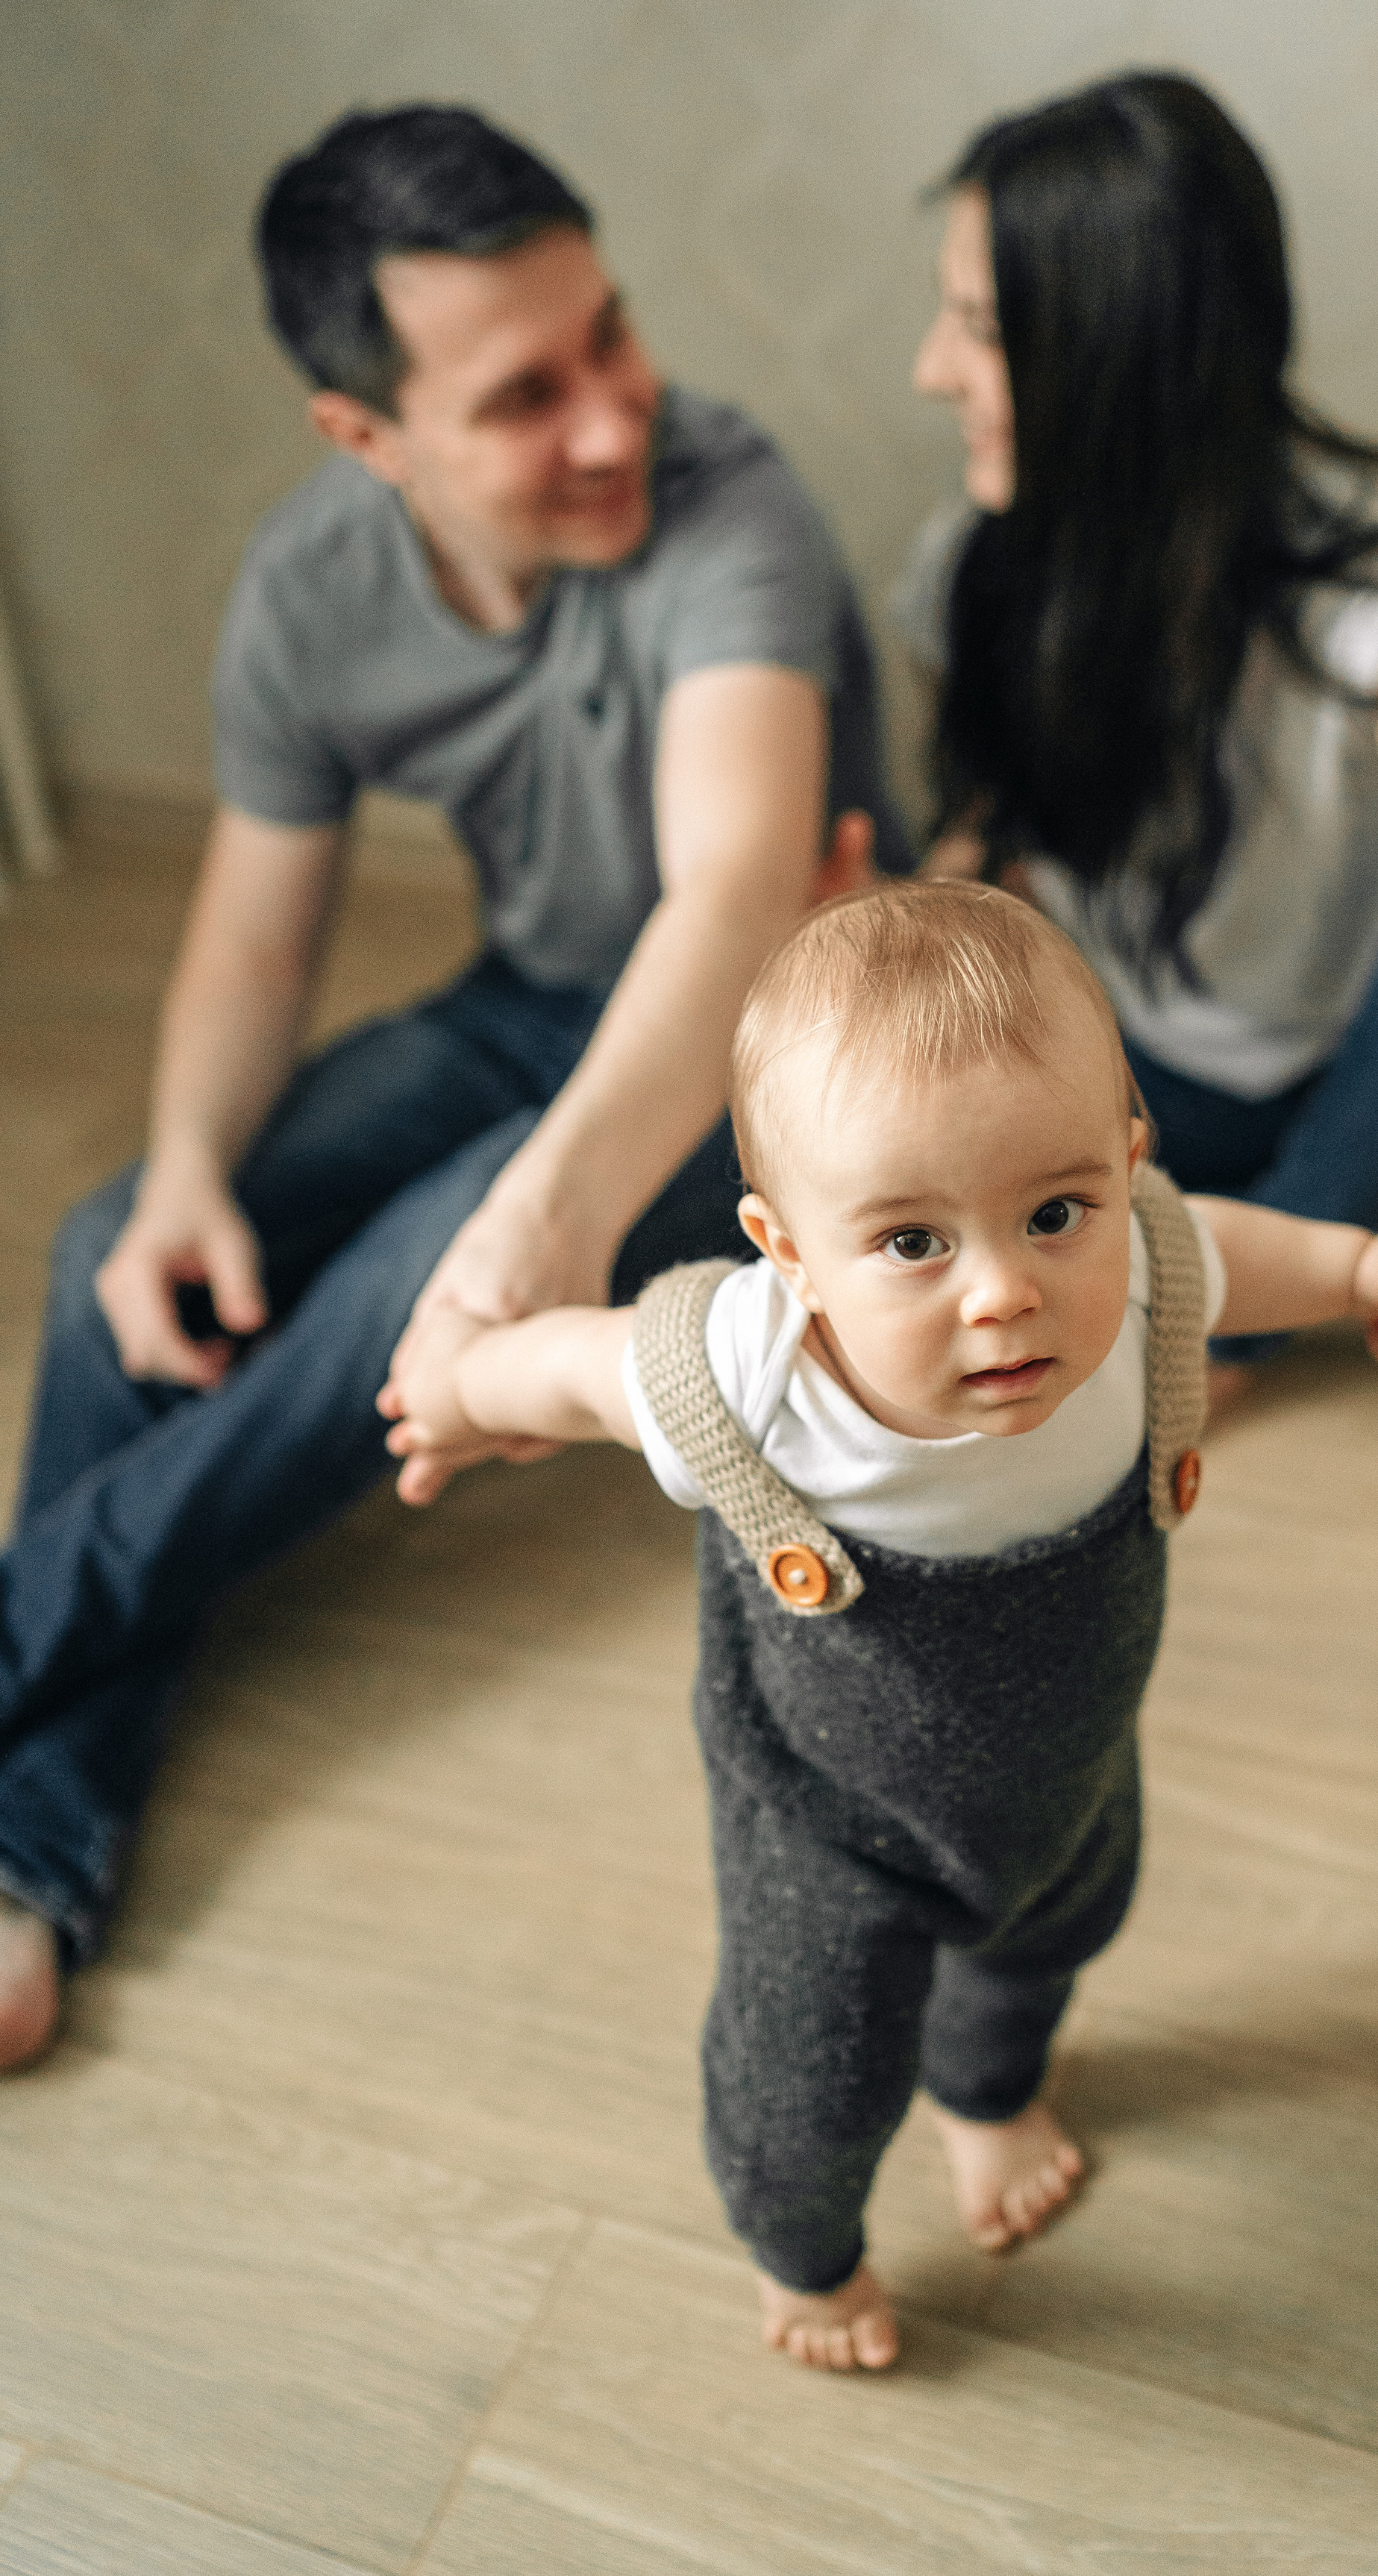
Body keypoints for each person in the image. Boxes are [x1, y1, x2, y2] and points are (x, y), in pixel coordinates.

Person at [0, 104, 909, 2072]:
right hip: (524, 1003)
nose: (612, 418)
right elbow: (256, 935)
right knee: (107, 1260)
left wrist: (533, 1229)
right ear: (368, 434)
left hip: (763, 1047)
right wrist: (180, 1178)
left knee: (377, 1320)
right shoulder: (312, 592)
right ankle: (30, 1835)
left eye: (613, 336)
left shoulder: (730, 502)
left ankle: (21, 1791)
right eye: (522, 395)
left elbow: (737, 895)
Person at [380, 882, 1378, 2368]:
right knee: (812, 2060)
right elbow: (571, 1369)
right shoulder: (749, 1368)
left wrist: (1373, 1268)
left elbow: (1244, 1255)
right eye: (911, 1245)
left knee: (1049, 1932)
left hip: (1059, 1768)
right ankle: (799, 2257)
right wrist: (457, 1397)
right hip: (828, 1815)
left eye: (1055, 1213)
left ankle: (986, 2095)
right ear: (785, 1251)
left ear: (1126, 1169)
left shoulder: (1146, 1274)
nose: (1003, 1293)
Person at [901, 69, 1378, 1408]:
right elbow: (991, 843)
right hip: (1167, 1077)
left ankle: (1312, 1284)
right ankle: (1334, 1249)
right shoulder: (980, 561)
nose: (932, 371)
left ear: (1121, 356)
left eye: (980, 330)